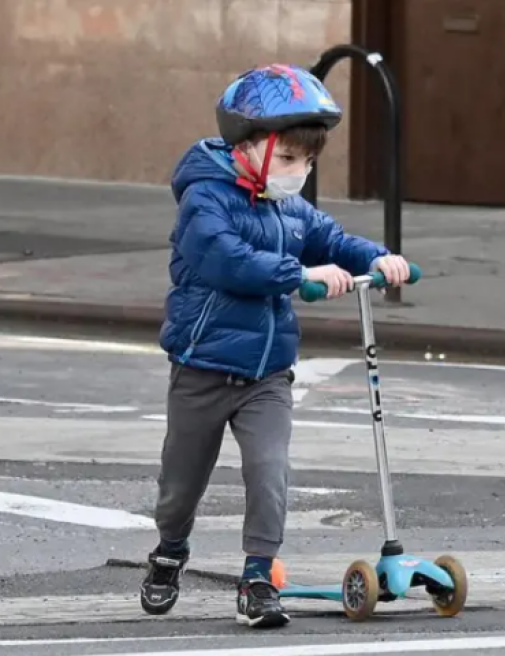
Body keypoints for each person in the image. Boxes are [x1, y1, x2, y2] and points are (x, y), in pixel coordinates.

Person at [139, 64, 411, 628]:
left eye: (307, 162)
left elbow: (331, 238)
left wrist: (378, 258)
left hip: (267, 375)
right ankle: (170, 550)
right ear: (247, 147)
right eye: (287, 159)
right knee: (181, 483)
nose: (299, 172)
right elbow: (225, 259)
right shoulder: (204, 199)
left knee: (270, 472)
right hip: (203, 366)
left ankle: (259, 576)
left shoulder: (287, 207)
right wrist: (297, 275)